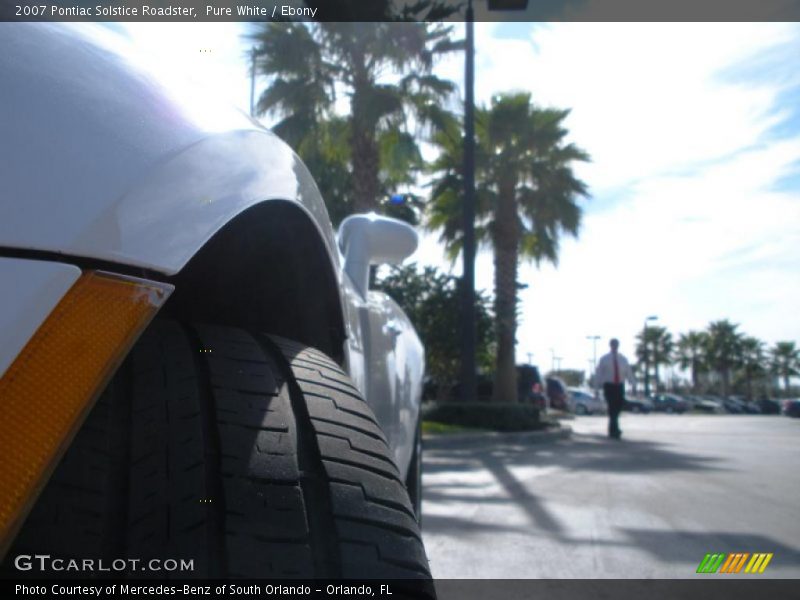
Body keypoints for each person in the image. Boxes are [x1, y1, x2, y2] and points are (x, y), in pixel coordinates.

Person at [595, 338, 634, 439]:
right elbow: (599, 374)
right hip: (609, 386)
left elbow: (628, 372)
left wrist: (632, 383)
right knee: (612, 407)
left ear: (618, 345)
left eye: (616, 344)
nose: (615, 346)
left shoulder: (623, 359)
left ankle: (613, 428)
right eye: (613, 344)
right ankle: (614, 430)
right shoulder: (604, 359)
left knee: (618, 407)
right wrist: (596, 389)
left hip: (620, 386)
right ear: (610, 345)